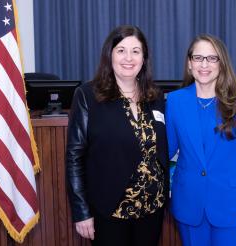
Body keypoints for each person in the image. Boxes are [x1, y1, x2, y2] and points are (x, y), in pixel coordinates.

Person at [65, 25, 168, 246]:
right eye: (121, 50)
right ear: (109, 55)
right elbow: (74, 157)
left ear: (144, 57)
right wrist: (81, 211)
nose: (128, 58)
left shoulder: (156, 96)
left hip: (152, 208)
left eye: (135, 51)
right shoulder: (87, 96)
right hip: (109, 208)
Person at [165, 34, 236, 246]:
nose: (204, 64)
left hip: (233, 207)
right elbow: (165, 152)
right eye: (198, 57)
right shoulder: (175, 101)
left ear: (221, 64)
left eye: (212, 58)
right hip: (189, 205)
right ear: (189, 63)